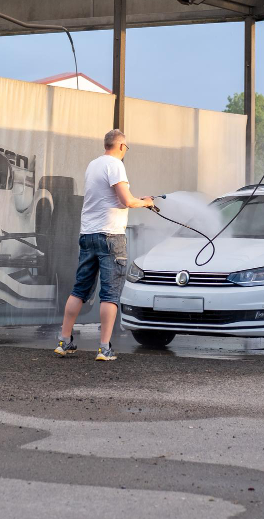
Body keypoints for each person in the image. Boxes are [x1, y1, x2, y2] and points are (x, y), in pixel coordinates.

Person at [55, 129, 153, 361]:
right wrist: (146, 202)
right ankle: (104, 348)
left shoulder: (93, 165)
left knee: (79, 290)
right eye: (126, 147)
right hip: (110, 237)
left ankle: (64, 340)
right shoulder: (115, 165)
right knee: (109, 294)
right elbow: (126, 200)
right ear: (121, 147)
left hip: (88, 235)